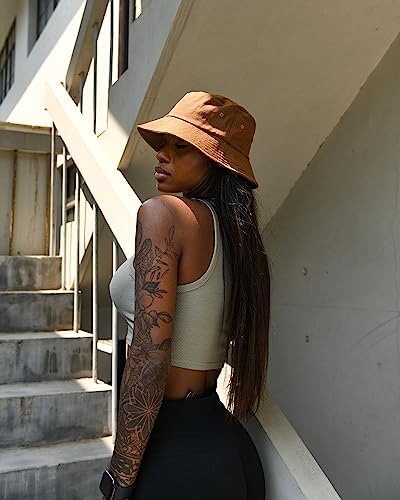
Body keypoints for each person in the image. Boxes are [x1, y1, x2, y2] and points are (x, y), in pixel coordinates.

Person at [99, 91, 271, 500]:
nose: (161, 154)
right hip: (227, 448)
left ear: (216, 161)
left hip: (175, 456)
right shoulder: (239, 238)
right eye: (163, 144)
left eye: (181, 147)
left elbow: (150, 355)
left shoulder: (163, 214)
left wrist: (119, 475)